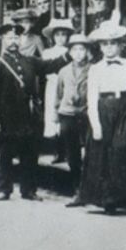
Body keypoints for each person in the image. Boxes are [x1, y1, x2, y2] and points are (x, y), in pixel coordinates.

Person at [75, 22, 126, 213]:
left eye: (113, 43)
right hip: (103, 110)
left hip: (125, 110)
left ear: (120, 45)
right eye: (105, 44)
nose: (109, 48)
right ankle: (107, 200)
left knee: (122, 150)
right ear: (100, 47)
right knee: (102, 153)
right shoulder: (95, 68)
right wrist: (96, 126)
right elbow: (92, 99)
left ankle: (125, 198)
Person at [0, 23, 70, 201]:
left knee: (30, 155)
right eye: (9, 38)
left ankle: (28, 190)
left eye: (16, 37)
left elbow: (50, 65)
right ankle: (4, 189)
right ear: (3, 40)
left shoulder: (30, 61)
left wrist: (69, 55)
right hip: (8, 118)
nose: (13, 41)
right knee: (6, 155)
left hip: (29, 117)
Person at [55, 34, 92, 204]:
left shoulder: (93, 69)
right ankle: (77, 189)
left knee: (90, 152)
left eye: (81, 49)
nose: (78, 53)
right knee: (72, 153)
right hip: (67, 114)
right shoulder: (63, 71)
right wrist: (56, 117)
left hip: (86, 114)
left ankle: (89, 189)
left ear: (87, 51)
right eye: (74, 50)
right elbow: (58, 94)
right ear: (69, 52)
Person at [41, 18, 74, 148]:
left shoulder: (71, 52)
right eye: (57, 35)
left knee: (66, 115)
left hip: (68, 87)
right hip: (53, 86)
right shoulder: (47, 52)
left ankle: (65, 147)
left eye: (63, 35)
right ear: (53, 37)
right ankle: (56, 148)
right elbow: (47, 70)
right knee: (52, 114)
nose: (60, 38)